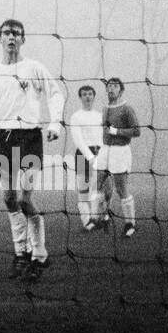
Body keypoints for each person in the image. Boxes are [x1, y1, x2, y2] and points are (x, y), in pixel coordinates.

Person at [0, 19, 63, 283]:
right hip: (4, 138)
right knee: (9, 198)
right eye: (6, 33)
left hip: (30, 137)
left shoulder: (34, 67)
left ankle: (39, 252)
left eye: (16, 33)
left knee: (25, 198)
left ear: (23, 39)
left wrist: (55, 122)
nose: (11, 37)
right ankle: (20, 255)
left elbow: (56, 93)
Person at [98, 77, 141, 238]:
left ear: (121, 90)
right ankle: (104, 216)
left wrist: (117, 132)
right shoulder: (104, 108)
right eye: (109, 86)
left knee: (121, 188)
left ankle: (131, 223)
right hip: (105, 150)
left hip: (120, 151)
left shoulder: (127, 109)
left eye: (115, 86)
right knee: (96, 184)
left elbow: (137, 131)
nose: (111, 89)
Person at [68, 84, 104, 231]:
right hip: (83, 155)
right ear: (80, 97)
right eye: (84, 94)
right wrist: (90, 157)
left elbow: (103, 137)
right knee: (83, 189)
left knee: (96, 189)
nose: (87, 96)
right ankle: (86, 220)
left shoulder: (100, 116)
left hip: (100, 154)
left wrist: (101, 155)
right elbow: (78, 140)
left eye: (90, 94)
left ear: (94, 96)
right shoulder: (76, 116)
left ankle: (96, 219)